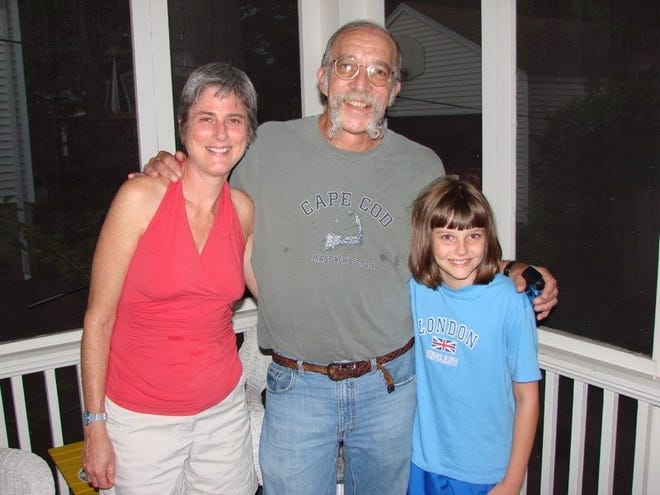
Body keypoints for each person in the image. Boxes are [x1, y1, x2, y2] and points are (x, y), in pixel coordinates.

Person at [140, 21, 558, 495]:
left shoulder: (422, 165)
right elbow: (208, 164)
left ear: (394, 90)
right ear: (323, 79)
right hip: (298, 386)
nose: (361, 85)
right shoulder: (267, 147)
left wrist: (508, 268)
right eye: (348, 67)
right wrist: (169, 163)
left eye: (378, 73)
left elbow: (453, 243)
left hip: (391, 387)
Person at [80, 63, 259, 494]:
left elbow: (275, 296)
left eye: (234, 120)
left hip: (223, 414)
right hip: (140, 423)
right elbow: (97, 321)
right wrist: (94, 427)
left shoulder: (244, 209)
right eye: (206, 118)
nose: (221, 133)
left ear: (248, 134)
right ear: (183, 128)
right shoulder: (140, 197)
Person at [407, 175, 540, 495]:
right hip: (423, 461)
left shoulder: (510, 301)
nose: (461, 250)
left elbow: (527, 397)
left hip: (485, 469)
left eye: (474, 235)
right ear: (428, 238)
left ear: (488, 237)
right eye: (447, 236)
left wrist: (512, 480)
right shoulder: (415, 289)